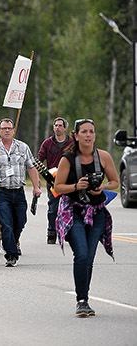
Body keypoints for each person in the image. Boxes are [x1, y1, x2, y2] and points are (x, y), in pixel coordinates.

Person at [53, 119, 118, 317]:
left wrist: (103, 187)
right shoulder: (67, 159)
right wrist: (76, 186)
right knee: (81, 254)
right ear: (76, 135)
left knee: (88, 258)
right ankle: (81, 301)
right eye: (84, 132)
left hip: (96, 212)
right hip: (73, 212)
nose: (88, 135)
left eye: (92, 131)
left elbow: (115, 182)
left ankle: (85, 299)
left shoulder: (104, 157)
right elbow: (57, 187)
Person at [0, 118, 42, 267]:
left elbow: (31, 167)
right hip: (0, 192)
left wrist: (36, 186)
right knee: (6, 224)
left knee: (21, 221)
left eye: (9, 128)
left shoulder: (22, 147)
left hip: (18, 190)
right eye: (4, 128)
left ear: (14, 130)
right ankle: (11, 254)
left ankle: (11, 241)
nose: (7, 130)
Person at [38, 117, 74, 244]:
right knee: (53, 207)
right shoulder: (47, 143)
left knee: (69, 207)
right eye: (56, 125)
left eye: (60, 125)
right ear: (53, 127)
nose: (57, 127)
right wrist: (43, 175)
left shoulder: (72, 143)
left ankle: (67, 233)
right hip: (53, 180)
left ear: (65, 128)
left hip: (69, 180)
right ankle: (51, 232)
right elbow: (39, 160)